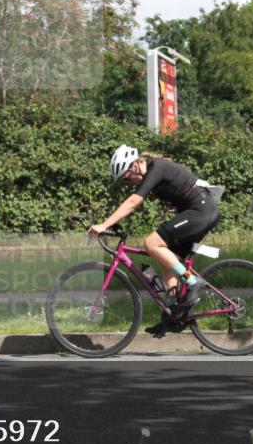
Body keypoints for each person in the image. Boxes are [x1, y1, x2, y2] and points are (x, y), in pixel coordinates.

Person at [87, 144, 220, 336]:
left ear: (134, 166)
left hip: (201, 211)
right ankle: (173, 314)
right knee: (166, 258)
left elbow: (133, 202)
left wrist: (104, 225)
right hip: (199, 211)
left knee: (151, 244)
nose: (128, 182)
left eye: (126, 178)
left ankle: (192, 281)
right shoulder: (153, 171)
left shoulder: (157, 167)